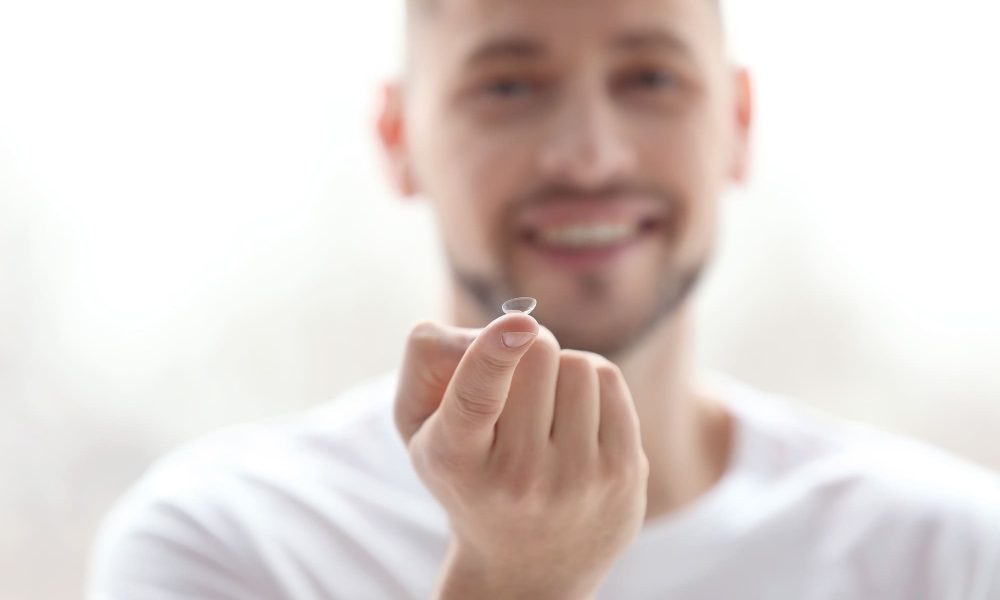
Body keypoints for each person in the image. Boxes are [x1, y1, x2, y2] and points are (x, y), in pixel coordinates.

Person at [88, 0, 1000, 598]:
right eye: (509, 86)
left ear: (738, 122)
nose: (590, 155)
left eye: (651, 78)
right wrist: (512, 578)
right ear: (399, 136)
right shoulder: (225, 543)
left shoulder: (949, 556)